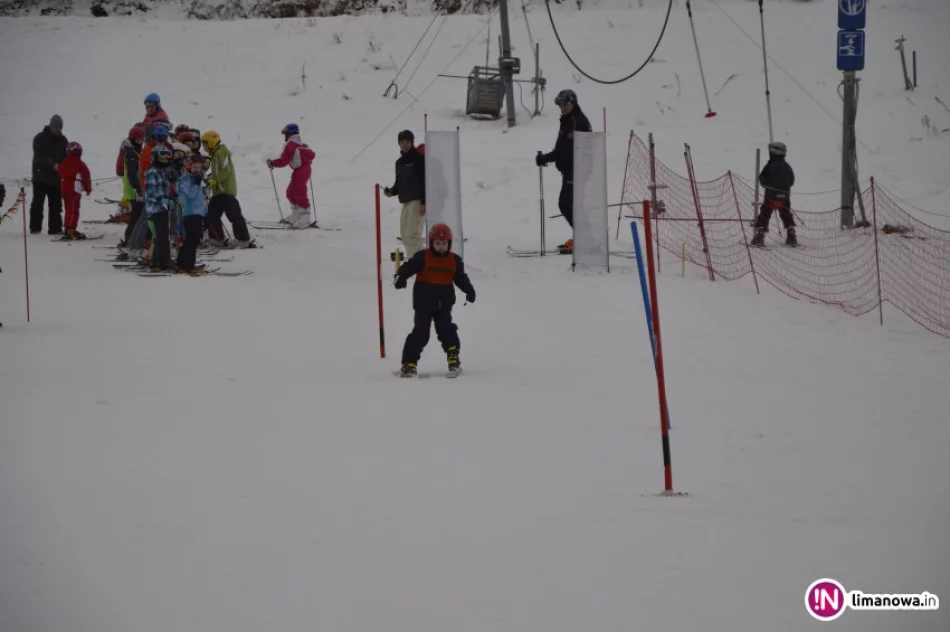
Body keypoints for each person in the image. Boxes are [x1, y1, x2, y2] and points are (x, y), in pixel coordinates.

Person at [393, 223, 476, 378]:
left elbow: (460, 278)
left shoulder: (454, 260)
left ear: (449, 243)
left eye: (444, 243)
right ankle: (409, 364)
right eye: (437, 243)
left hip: (444, 304)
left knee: (446, 329)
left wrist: (469, 290)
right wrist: (401, 277)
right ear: (431, 242)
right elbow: (409, 267)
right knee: (421, 333)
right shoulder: (423, 257)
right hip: (423, 303)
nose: (440, 247)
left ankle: (453, 358)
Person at [535, 89, 592, 254]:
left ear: (572, 103)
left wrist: (549, 158)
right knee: (574, 205)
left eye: (565, 104)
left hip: (577, 170)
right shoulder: (567, 120)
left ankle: (585, 239)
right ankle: (585, 237)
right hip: (570, 170)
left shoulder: (577, 122)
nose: (562, 108)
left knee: (566, 204)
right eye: (560, 105)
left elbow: (573, 150)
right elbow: (562, 148)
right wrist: (548, 157)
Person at [201, 130, 255, 248]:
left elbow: (225, 171)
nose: (203, 147)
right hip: (219, 191)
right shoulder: (216, 154)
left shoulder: (221, 153)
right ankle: (216, 238)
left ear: (211, 142)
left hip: (226, 191)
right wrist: (211, 178)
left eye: (204, 144)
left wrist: (213, 181)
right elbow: (218, 171)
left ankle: (243, 239)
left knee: (233, 214)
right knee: (212, 213)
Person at [383, 130, 425, 257]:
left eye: (407, 142)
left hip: (417, 200)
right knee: (405, 235)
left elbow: (425, 181)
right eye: (402, 142)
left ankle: (419, 264)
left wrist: (424, 202)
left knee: (412, 234)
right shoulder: (399, 162)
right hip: (406, 201)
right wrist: (391, 191)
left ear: (412, 143)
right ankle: (418, 261)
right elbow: (399, 183)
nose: (405, 144)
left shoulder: (419, 159)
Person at [267, 123, 316, 228]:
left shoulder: (291, 145)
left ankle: (305, 217)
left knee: (299, 191)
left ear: (290, 133)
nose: (284, 136)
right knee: (291, 192)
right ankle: (297, 214)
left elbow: (284, 161)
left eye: (285, 133)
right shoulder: (302, 144)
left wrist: (272, 163)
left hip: (301, 170)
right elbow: (311, 155)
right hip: (302, 170)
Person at [751, 141, 797, 247]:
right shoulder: (787, 166)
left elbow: (762, 178)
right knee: (786, 214)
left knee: (765, 214)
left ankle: (759, 236)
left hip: (771, 197)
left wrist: (767, 184)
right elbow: (792, 181)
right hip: (784, 197)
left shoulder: (769, 165)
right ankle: (791, 235)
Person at [30, 114, 69, 235]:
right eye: (56, 127)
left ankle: (55, 228)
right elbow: (39, 156)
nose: (58, 130)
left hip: (56, 179)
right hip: (40, 178)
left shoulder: (63, 140)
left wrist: (64, 167)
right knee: (37, 204)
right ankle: (35, 228)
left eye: (60, 128)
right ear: (51, 126)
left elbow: (66, 157)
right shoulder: (40, 138)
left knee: (56, 205)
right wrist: (53, 165)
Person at [144, 145, 176, 271]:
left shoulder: (165, 171)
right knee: (161, 235)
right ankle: (160, 262)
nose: (165, 158)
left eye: (168, 155)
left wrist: (173, 198)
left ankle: (163, 260)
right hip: (155, 209)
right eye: (162, 155)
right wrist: (164, 201)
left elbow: (167, 189)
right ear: (155, 156)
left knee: (163, 235)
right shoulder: (152, 172)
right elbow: (151, 193)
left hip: (163, 208)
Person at [176, 156, 208, 274]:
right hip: (190, 213)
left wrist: (205, 212)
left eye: (199, 167)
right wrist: (196, 183)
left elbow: (199, 198)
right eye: (194, 167)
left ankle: (183, 263)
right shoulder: (185, 179)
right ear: (188, 166)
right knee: (192, 239)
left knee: (193, 239)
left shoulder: (195, 178)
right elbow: (191, 195)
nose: (197, 170)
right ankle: (187, 265)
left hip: (198, 213)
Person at [58, 142, 92, 240]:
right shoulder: (80, 163)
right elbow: (86, 176)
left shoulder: (64, 162)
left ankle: (69, 228)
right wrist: (88, 189)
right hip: (74, 189)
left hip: (64, 188)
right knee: (74, 210)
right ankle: (70, 231)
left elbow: (60, 172)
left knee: (68, 209)